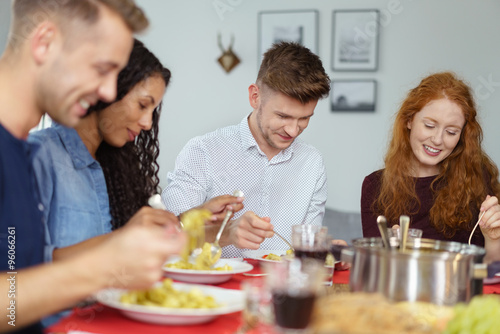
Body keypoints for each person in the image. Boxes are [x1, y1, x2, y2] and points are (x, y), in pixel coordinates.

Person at [0, 1, 186, 333]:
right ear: (44, 43)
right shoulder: (38, 153)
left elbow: (13, 299)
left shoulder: (21, 152)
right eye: (101, 69)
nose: (108, 92)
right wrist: (103, 265)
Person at [162, 41, 331, 258]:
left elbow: (307, 249)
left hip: (282, 288)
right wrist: (223, 231)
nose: (292, 130)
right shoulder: (202, 151)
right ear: (255, 96)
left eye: (304, 118)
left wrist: (324, 252)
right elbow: (166, 237)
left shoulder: (312, 163)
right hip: (212, 289)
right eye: (282, 116)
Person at [361, 72, 500, 262]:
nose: (437, 140)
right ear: (409, 120)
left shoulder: (477, 179)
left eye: (451, 132)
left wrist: (493, 239)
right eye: (429, 125)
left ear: (462, 135)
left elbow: (491, 270)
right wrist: (391, 253)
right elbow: (373, 267)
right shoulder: (374, 186)